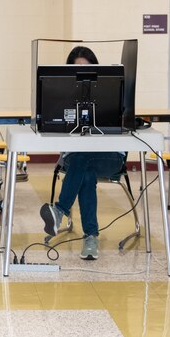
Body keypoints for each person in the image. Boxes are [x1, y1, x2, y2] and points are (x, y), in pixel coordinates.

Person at [39, 46, 126, 260]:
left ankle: (59, 211)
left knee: (82, 159)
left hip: (109, 156)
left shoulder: (113, 90)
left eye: (87, 69)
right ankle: (90, 238)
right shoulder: (60, 94)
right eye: (77, 69)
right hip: (75, 159)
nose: (83, 75)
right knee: (84, 168)